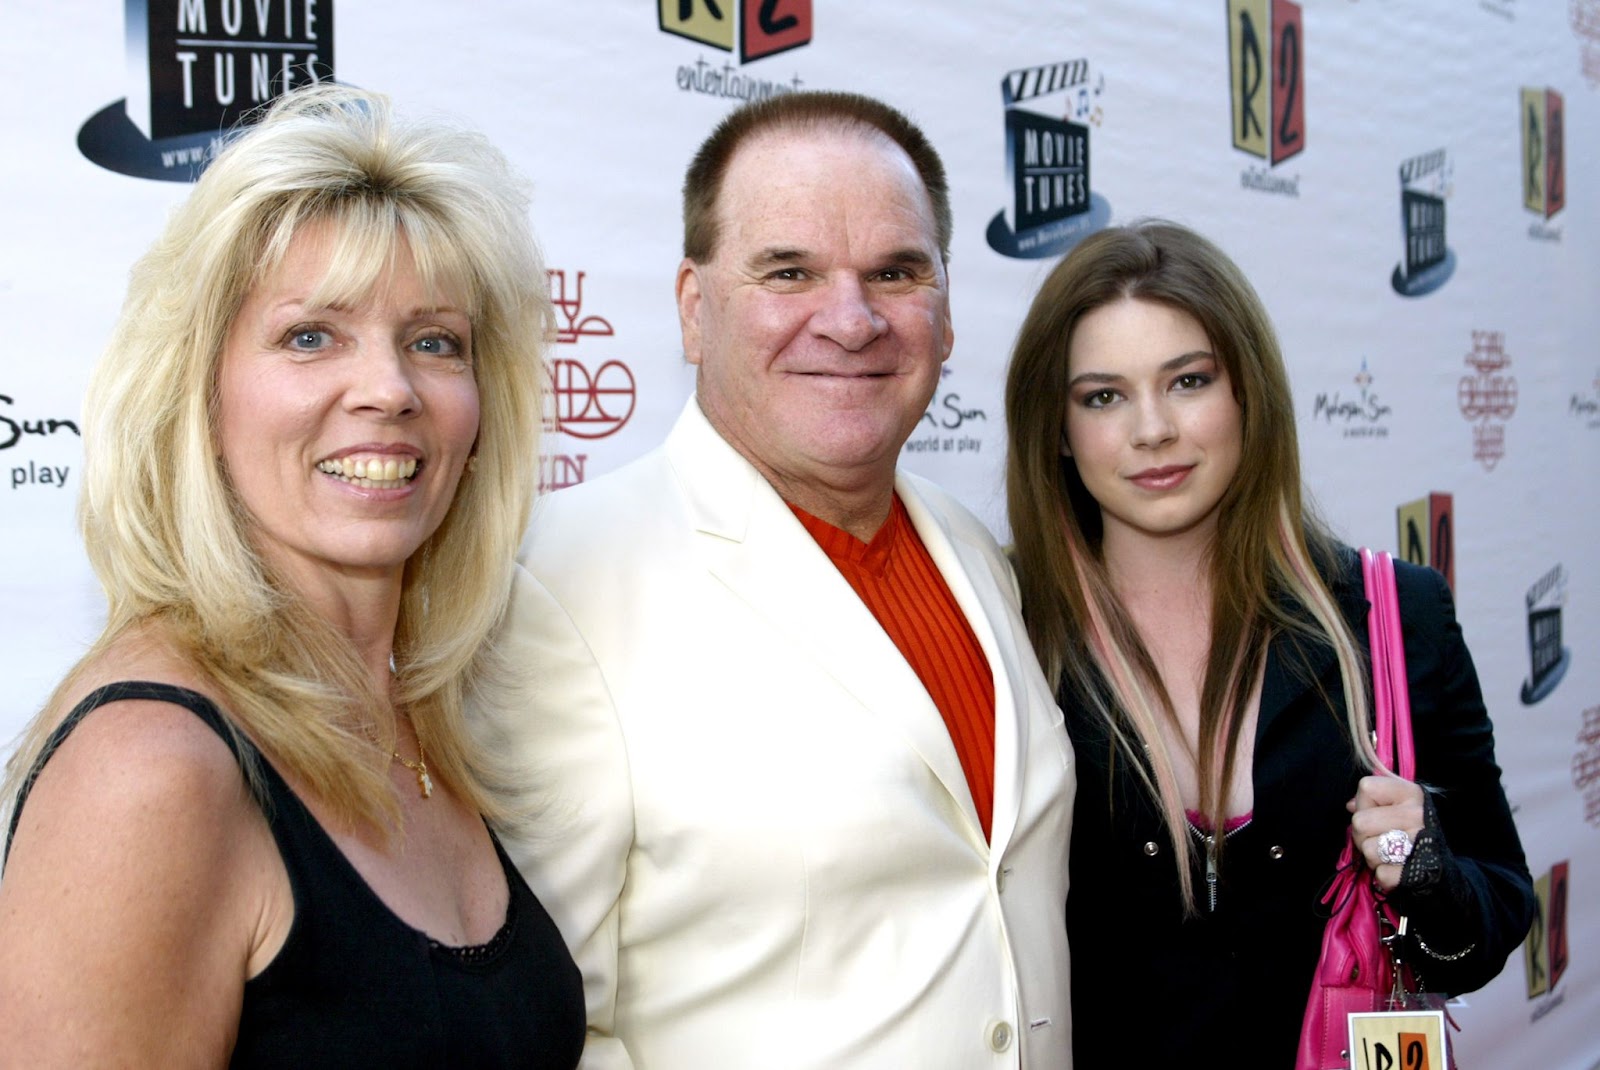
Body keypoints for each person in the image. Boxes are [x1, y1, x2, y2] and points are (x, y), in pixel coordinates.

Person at [480, 91, 1073, 1068]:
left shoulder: (973, 549)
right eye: (788, 270)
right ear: (692, 307)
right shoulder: (566, 580)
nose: (850, 319)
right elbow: (544, 1025)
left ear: (946, 309)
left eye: (896, 270)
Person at [0, 86, 584, 1067]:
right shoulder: (152, 771)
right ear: (200, 391)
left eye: (433, 341)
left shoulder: (419, 712)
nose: (389, 389)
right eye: (310, 334)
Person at [1003, 219, 1535, 1066]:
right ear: (1057, 429)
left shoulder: (1396, 613)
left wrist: (1420, 867)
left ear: (1248, 391)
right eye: (1103, 396)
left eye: (1188, 381)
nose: (1152, 430)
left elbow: (1490, 929)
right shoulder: (1001, 627)